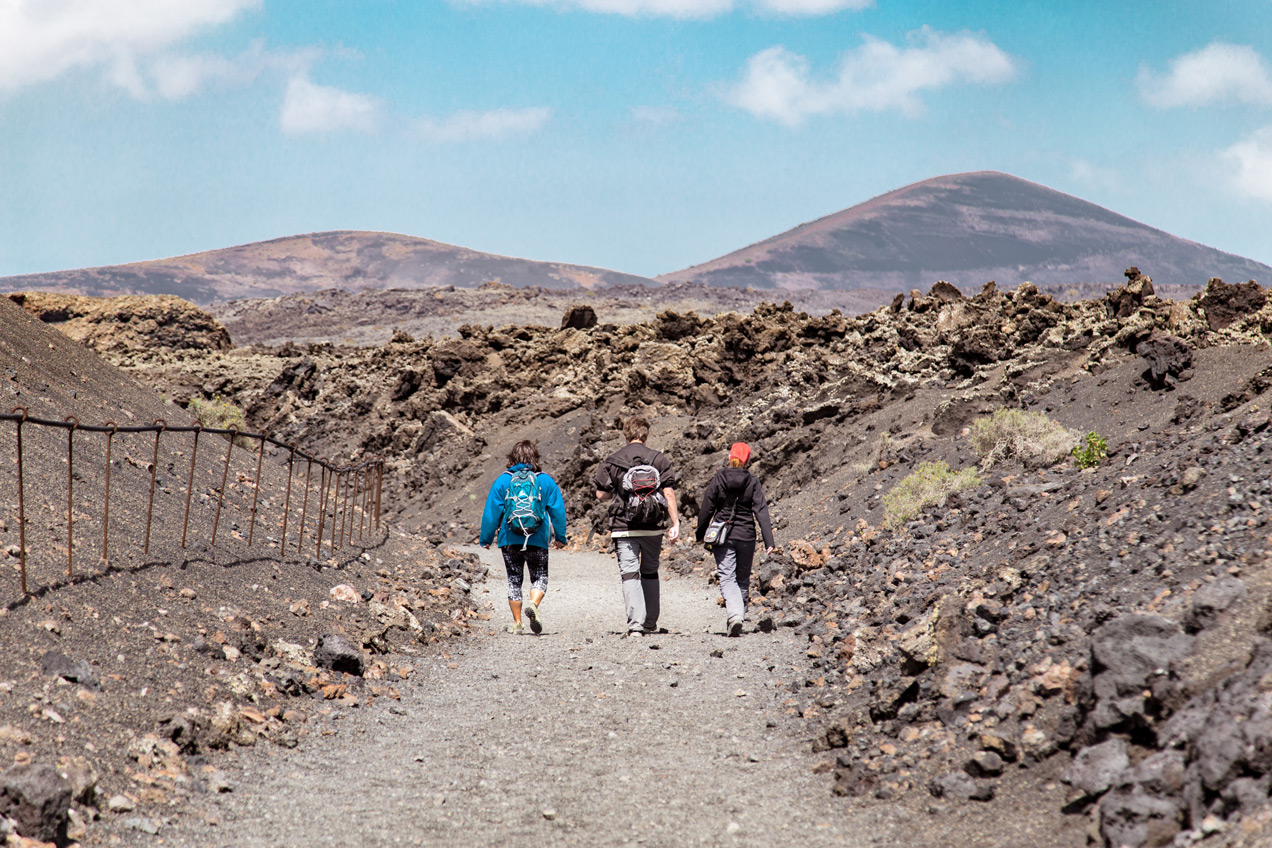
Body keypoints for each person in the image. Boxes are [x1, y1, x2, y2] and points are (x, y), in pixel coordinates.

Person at [593, 416, 680, 635]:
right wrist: (675, 522)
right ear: (646, 435)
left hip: (624, 527)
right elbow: (668, 493)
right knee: (650, 572)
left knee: (630, 574)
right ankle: (650, 622)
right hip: (653, 526)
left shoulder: (612, 460)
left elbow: (600, 494)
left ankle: (635, 626)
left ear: (626, 435)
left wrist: (621, 491)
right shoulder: (659, 459)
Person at [479, 440, 567, 635]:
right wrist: (560, 537)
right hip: (537, 539)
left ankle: (518, 623)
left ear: (512, 458)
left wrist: (486, 539)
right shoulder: (545, 480)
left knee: (514, 580)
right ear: (535, 458)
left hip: (509, 539)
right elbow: (558, 512)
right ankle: (534, 604)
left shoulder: (503, 481)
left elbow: (491, 513)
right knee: (540, 577)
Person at [695, 442, 775, 637]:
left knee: (727, 577)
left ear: (730, 457)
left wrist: (700, 532)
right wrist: (769, 541)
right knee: (742, 580)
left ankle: (735, 616)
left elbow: (707, 507)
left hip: (723, 536)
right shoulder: (753, 481)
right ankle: (737, 618)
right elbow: (761, 511)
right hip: (747, 535)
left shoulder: (719, 478)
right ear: (747, 460)